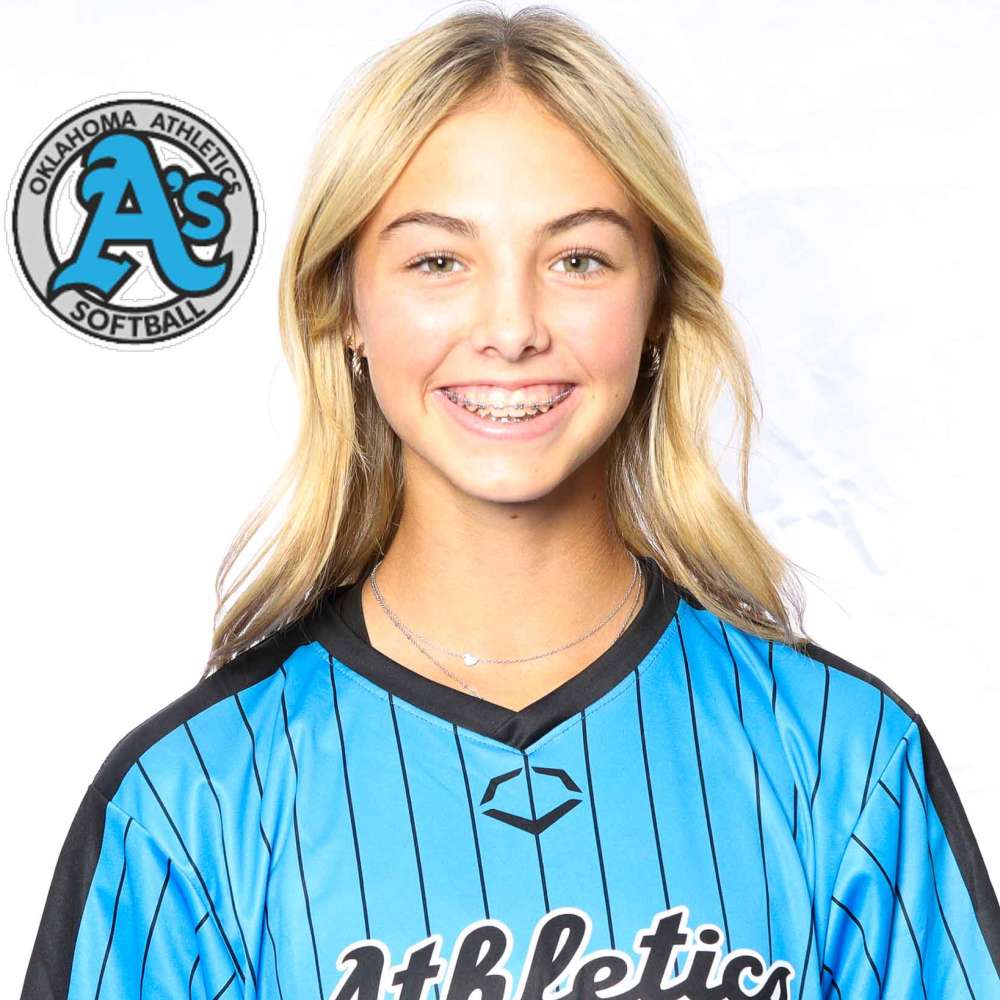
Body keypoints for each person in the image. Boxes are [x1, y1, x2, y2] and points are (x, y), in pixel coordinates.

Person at [19, 4, 1000, 998]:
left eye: (578, 259)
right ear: (345, 307)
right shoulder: (192, 794)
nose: (512, 327)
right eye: (438, 261)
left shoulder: (840, 756)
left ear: (656, 304)